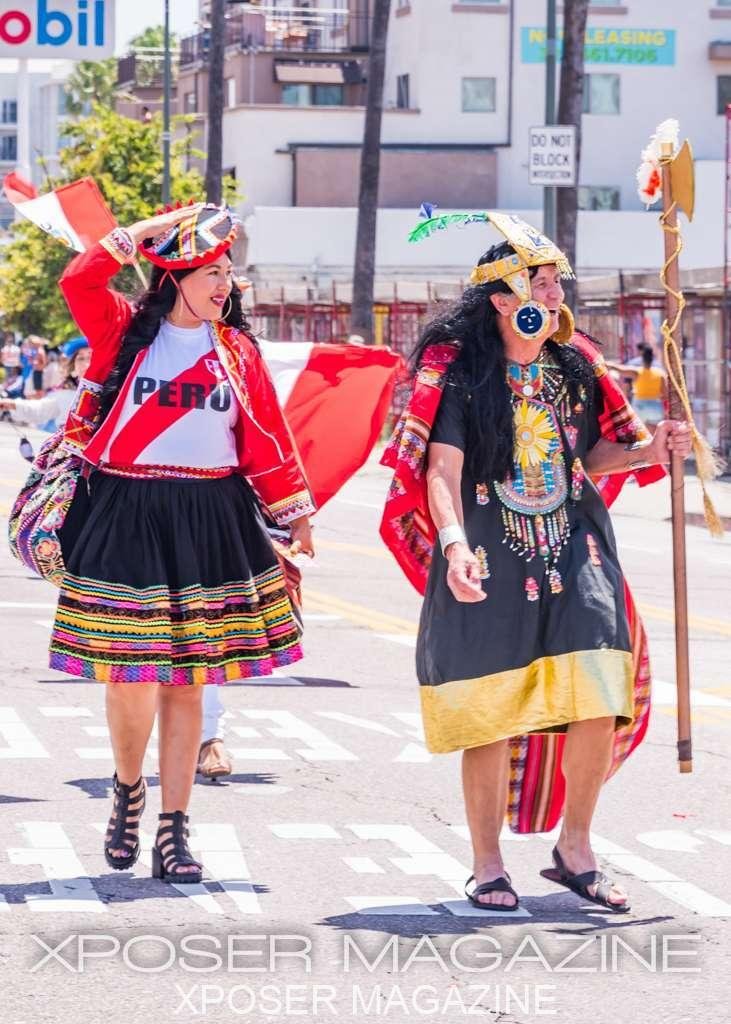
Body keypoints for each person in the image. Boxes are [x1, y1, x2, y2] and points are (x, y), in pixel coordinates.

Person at [380, 213, 692, 914]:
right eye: (540, 283)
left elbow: (593, 454)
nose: (554, 296)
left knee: (598, 691)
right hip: (490, 550)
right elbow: (440, 470)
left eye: (556, 284)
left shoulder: (575, 367)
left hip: (575, 545)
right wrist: (454, 545)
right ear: (501, 298)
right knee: (488, 711)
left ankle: (574, 848)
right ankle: (487, 863)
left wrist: (648, 450)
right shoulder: (460, 375)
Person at [48, 202, 315, 884]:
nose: (225, 284)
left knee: (190, 682)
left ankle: (174, 828)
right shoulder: (123, 332)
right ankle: (127, 791)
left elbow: (266, 437)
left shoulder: (238, 352)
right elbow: (79, 279)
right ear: (175, 277)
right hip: (128, 512)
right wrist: (147, 231)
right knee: (128, 679)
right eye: (210, 272)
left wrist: (294, 514)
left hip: (208, 515)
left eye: (228, 273)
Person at [0, 337, 90, 432]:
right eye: (81, 359)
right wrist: (11, 404)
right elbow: (41, 409)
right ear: (73, 366)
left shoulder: (104, 397)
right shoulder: (66, 394)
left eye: (92, 357)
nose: (87, 364)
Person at [611, 345, 667, 432]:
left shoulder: (637, 372)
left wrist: (605, 364)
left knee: (640, 433)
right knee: (655, 434)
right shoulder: (660, 373)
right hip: (655, 406)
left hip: (639, 406)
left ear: (642, 359)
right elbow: (665, 394)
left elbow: (620, 369)